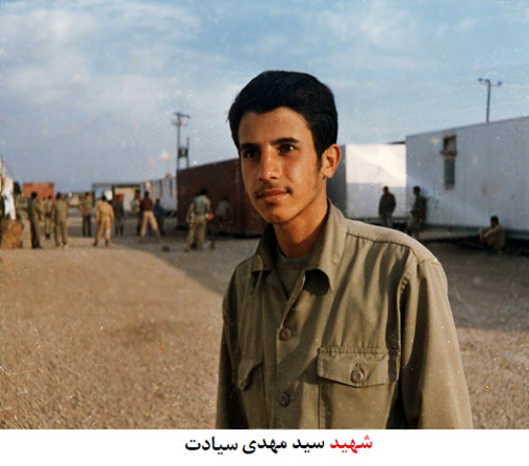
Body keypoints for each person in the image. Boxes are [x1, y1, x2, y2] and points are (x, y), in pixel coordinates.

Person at [216, 70, 472, 429]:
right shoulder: (243, 286)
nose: (266, 171)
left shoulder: (402, 272)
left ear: (329, 161)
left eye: (286, 148)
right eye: (251, 153)